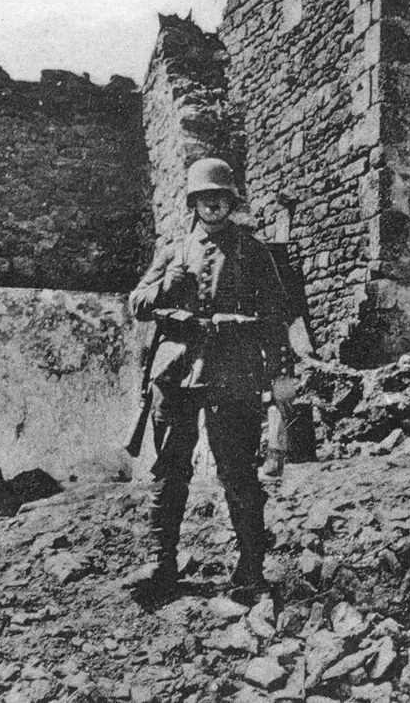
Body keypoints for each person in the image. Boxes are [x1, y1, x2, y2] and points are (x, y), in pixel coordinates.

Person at [128, 157, 310, 593]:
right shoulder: (173, 251)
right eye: (205, 197)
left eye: (221, 198)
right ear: (193, 202)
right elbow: (137, 303)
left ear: (231, 202)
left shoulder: (253, 251)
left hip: (234, 368)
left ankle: (250, 568)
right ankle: (162, 565)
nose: (213, 205)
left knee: (238, 470)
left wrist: (279, 374)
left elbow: (276, 315)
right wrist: (167, 286)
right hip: (175, 371)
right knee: (170, 468)